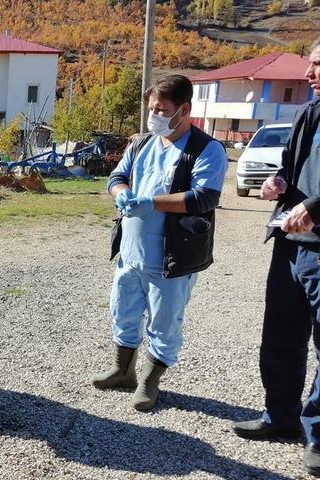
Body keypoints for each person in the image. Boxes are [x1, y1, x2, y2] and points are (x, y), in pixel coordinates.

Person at [91, 75, 228, 411]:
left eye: (162, 110)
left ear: (183, 110)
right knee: (123, 310)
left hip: (172, 257)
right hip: (131, 252)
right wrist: (122, 194)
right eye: (151, 108)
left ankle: (150, 382)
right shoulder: (141, 144)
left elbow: (204, 197)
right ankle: (123, 370)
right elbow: (117, 177)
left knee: (165, 321)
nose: (155, 116)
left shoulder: (206, 149)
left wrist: (152, 202)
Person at [232, 39, 320, 477]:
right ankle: (280, 418)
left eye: (318, 66)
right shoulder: (309, 111)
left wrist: (314, 207)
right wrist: (278, 183)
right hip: (290, 244)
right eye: (310, 65)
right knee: (281, 338)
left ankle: (318, 437)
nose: (309, 74)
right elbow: (291, 166)